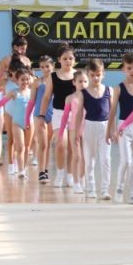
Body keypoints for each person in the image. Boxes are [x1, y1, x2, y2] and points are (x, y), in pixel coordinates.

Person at [111, 52, 133, 205]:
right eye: (129, 68)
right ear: (123, 69)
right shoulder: (118, 88)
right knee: (126, 160)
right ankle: (119, 190)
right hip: (123, 126)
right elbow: (113, 110)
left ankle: (132, 195)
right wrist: (111, 130)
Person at [41, 44, 77, 188]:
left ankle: (70, 175)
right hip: (59, 114)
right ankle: (60, 174)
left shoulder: (79, 75)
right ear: (59, 60)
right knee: (61, 144)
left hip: (75, 115)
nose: (68, 61)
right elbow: (46, 97)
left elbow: (84, 95)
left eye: (71, 58)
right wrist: (42, 115)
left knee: (72, 146)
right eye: (65, 58)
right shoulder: (53, 76)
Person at [75, 59, 112, 200]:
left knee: (106, 159)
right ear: (88, 74)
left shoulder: (109, 90)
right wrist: (77, 132)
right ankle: (90, 188)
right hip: (89, 126)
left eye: (98, 75)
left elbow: (112, 111)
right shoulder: (83, 93)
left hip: (105, 126)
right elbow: (79, 113)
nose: (95, 78)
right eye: (92, 75)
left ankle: (105, 189)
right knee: (90, 159)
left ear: (103, 74)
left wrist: (113, 129)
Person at [31, 55, 54, 184]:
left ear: (53, 66)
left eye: (47, 66)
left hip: (53, 115)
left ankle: (46, 170)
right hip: (39, 115)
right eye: (42, 67)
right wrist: (27, 117)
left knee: (48, 144)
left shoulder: (56, 81)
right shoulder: (37, 82)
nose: (45, 69)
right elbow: (32, 101)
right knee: (43, 144)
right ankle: (41, 172)